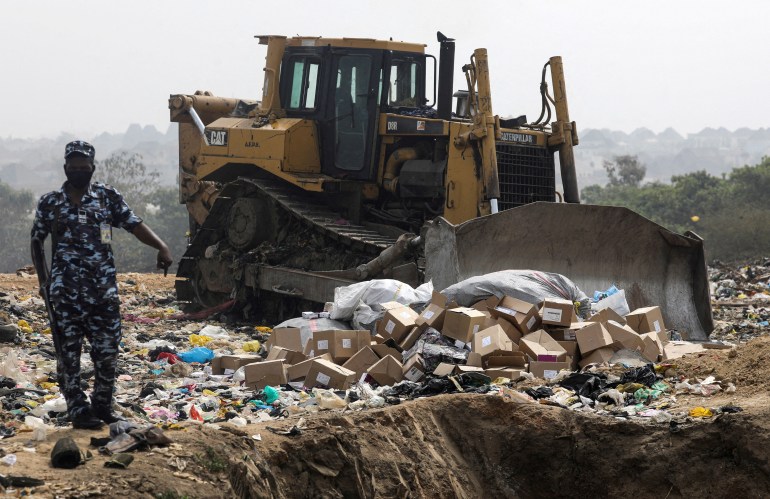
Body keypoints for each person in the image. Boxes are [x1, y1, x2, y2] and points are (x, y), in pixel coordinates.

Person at [31, 140, 173, 429]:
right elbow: (37, 240)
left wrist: (161, 247)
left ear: (93, 168)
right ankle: (78, 410)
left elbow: (134, 225)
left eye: (84, 168)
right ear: (65, 168)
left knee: (107, 353)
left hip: (103, 292)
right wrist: (44, 280)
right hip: (65, 294)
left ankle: (103, 406)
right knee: (68, 355)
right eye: (73, 168)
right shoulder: (51, 202)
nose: (78, 172)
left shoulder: (107, 197)